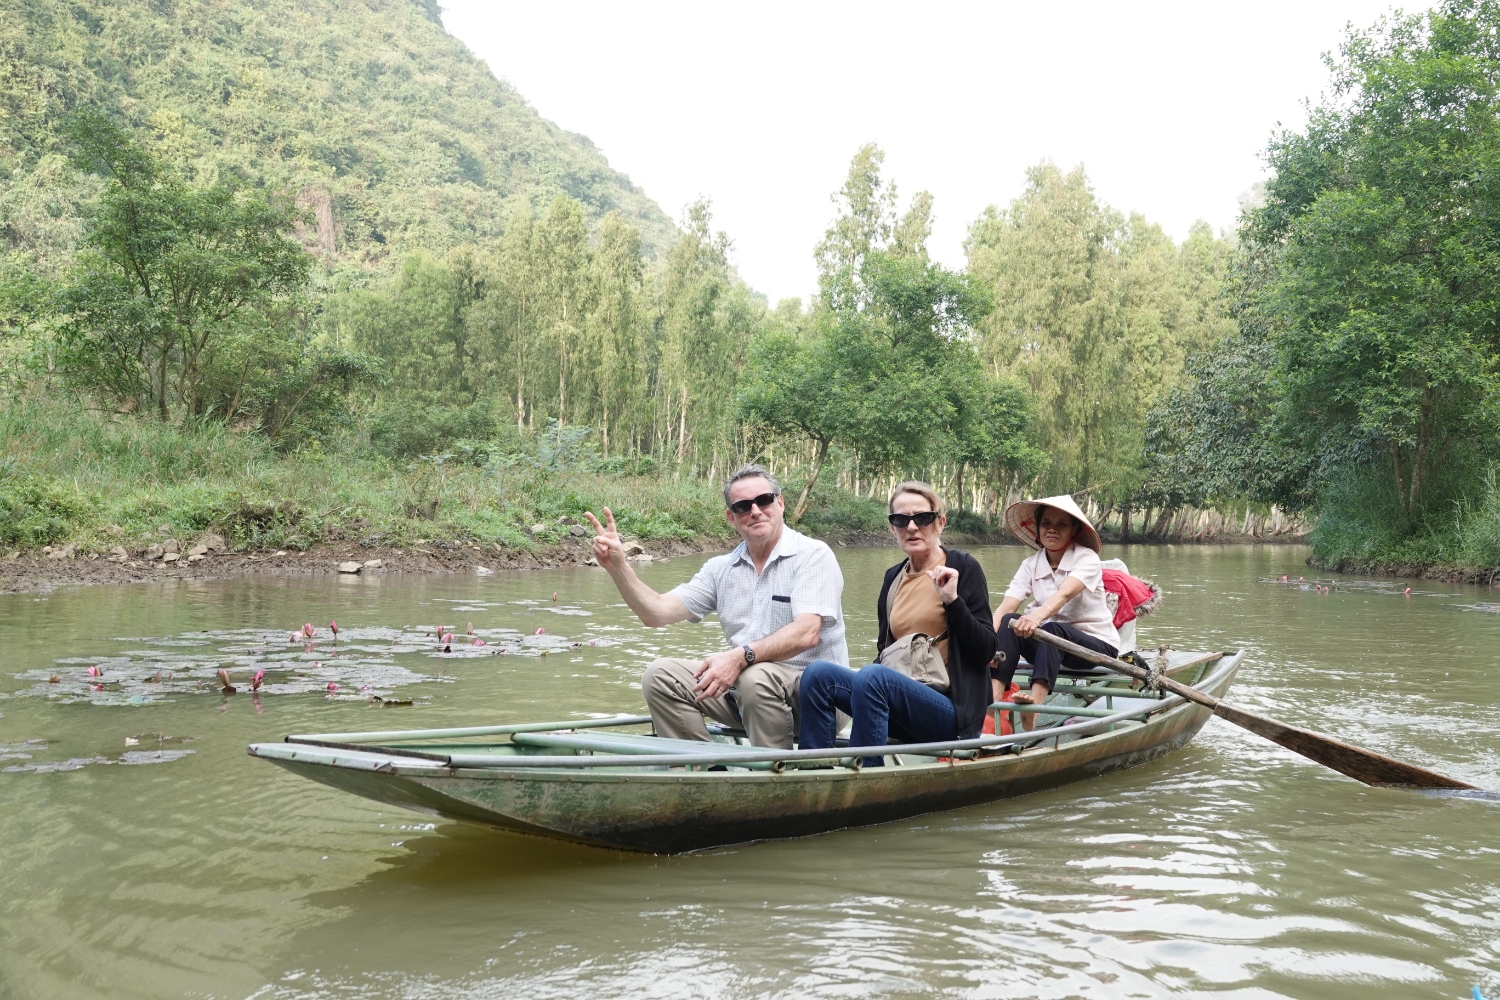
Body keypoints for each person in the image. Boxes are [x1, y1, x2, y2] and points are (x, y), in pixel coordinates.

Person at [583, 464, 848, 749]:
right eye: (743, 506)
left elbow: (806, 632)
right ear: (731, 517)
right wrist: (618, 567)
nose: (755, 511)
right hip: (746, 693)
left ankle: (772, 776)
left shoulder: (813, 555)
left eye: (764, 500)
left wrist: (739, 657)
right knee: (660, 675)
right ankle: (704, 774)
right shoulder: (721, 569)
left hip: (818, 700)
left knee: (753, 677)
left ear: (780, 503)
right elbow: (655, 612)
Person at [798, 482, 996, 766]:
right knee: (818, 675)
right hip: (901, 705)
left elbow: (987, 649)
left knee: (873, 677)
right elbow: (886, 652)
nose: (912, 527)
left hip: (952, 715)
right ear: (892, 528)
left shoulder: (963, 567)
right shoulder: (893, 577)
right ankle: (814, 771)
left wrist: (952, 600)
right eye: (901, 520)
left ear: (940, 523)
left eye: (923, 518)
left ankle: (867, 781)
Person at [992, 495, 1120, 731]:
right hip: (1049, 647)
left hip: (1095, 647)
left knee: (1051, 630)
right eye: (1046, 524)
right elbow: (1006, 607)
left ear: (1073, 530)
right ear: (1037, 529)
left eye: (1061, 524)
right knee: (1010, 621)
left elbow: (1063, 595)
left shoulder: (1087, 558)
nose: (1052, 530)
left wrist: (1035, 618)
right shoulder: (1030, 564)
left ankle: (1035, 709)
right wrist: (987, 644)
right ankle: (995, 695)